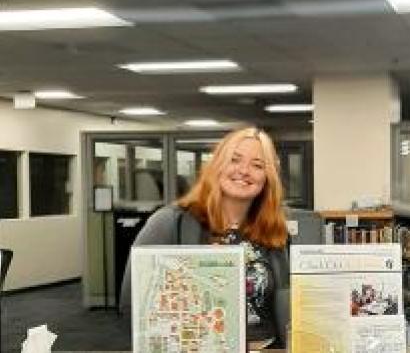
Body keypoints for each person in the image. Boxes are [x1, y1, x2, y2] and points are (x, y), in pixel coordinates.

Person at [120, 127, 290, 349]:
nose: (244, 171)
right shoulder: (170, 222)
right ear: (217, 166)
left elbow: (286, 300)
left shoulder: (272, 229)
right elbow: (132, 302)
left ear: (268, 177)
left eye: (257, 165)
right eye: (234, 160)